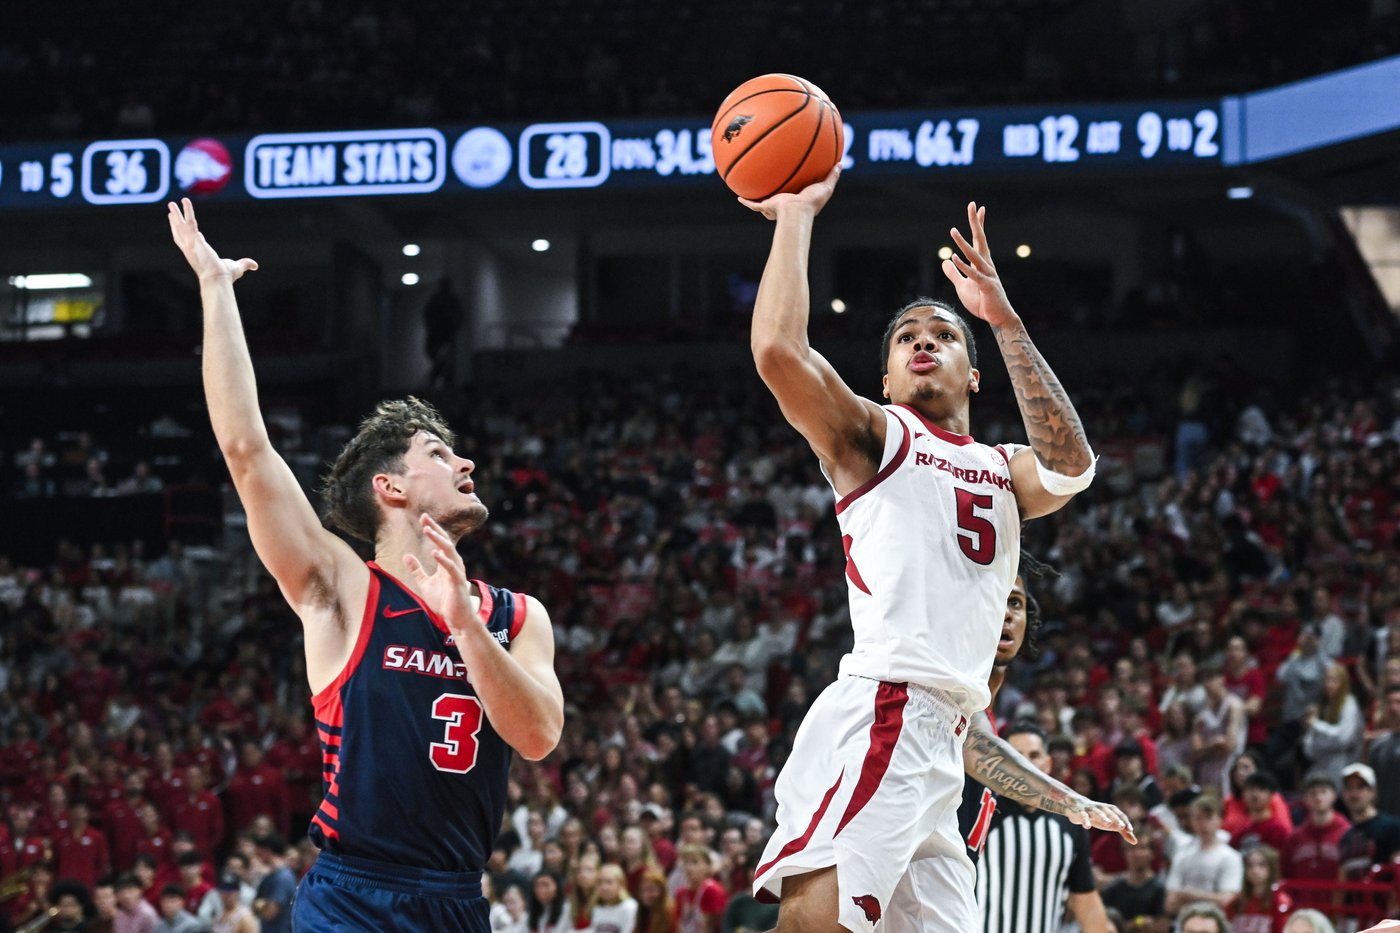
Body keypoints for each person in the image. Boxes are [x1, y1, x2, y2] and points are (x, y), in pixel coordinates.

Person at [742, 170, 1125, 932]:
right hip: (887, 707)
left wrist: (1005, 321)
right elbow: (780, 350)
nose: (924, 341)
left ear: (973, 374)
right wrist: (793, 215)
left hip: (944, 739)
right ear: (884, 377)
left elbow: (1073, 467)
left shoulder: (1002, 468)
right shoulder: (875, 437)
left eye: (944, 335)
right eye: (907, 337)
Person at [168, 198, 563, 932]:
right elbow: (247, 451)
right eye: (439, 454)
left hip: (458, 897)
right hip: (354, 894)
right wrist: (215, 291)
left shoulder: (517, 615)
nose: (466, 459)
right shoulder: (343, 588)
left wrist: (468, 630)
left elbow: (540, 736)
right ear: (390, 487)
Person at [1163, 796, 1243, 914]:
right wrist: (1212, 898)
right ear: (1191, 821)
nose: (1203, 824)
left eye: (1208, 818)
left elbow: (1228, 900)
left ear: (1220, 820)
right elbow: (1170, 904)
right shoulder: (1182, 855)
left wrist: (1191, 895)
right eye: (1198, 818)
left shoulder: (1231, 857)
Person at [1232, 845, 1291, 933]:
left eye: (1262, 865)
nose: (1255, 870)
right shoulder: (1237, 901)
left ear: (1272, 869)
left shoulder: (1280, 901)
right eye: (1250, 865)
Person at [423, 276, 466, 389]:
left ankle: (446, 384)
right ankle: (440, 382)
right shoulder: (436, 300)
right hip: (437, 334)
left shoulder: (451, 301)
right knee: (440, 360)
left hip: (446, 334)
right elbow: (428, 316)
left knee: (447, 361)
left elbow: (460, 317)